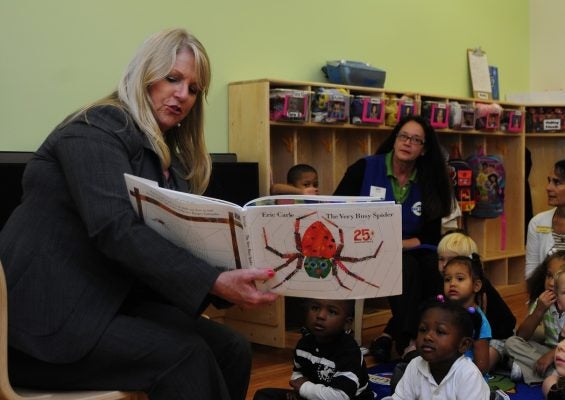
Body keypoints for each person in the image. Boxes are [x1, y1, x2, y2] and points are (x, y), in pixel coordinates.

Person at [0, 28, 278, 400]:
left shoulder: (165, 160)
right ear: (144, 75)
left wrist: (233, 279)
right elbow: (114, 228)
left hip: (103, 307)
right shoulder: (93, 129)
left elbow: (176, 248)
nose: (182, 95)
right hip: (38, 325)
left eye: (194, 89)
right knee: (185, 358)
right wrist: (213, 281)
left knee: (232, 349)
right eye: (172, 78)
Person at [334, 114, 453, 361]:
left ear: (423, 149)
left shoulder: (429, 180)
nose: (407, 143)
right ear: (395, 139)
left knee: (435, 267)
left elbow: (429, 235)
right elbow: (337, 212)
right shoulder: (365, 168)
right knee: (406, 267)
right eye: (404, 136)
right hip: (363, 248)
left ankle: (400, 332)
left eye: (416, 140)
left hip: (410, 249)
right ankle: (408, 339)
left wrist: (396, 245)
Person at [252, 298, 373, 400]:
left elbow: (341, 395)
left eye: (332, 312)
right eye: (315, 308)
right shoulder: (304, 344)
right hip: (314, 395)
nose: (320, 316)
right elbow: (298, 372)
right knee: (263, 395)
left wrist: (304, 388)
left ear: (347, 323)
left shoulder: (349, 352)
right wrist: (298, 388)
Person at [437, 231, 516, 371]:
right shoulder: (446, 286)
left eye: (451, 260)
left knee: (484, 359)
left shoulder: (482, 290)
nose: (444, 265)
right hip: (463, 344)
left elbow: (507, 323)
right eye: (441, 259)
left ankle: (507, 359)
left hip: (496, 338)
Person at [382, 299, 490, 399]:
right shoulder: (415, 365)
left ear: (463, 345)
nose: (427, 336)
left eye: (440, 332)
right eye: (423, 329)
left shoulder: (468, 375)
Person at [505, 250, 565, 385]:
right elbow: (522, 336)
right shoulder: (543, 301)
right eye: (549, 276)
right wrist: (539, 310)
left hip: (560, 353)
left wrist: (550, 356)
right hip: (551, 352)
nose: (550, 282)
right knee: (511, 343)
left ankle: (532, 372)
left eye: (557, 277)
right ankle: (553, 375)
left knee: (512, 360)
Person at [442, 255, 492, 376]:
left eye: (460, 279)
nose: (452, 283)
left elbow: (482, 366)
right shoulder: (443, 313)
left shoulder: (479, 321)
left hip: (468, 380)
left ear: (476, 286)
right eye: (448, 279)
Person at [526, 159, 565, 278]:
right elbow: (531, 273)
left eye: (557, 182)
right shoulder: (537, 222)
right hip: (546, 294)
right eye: (549, 181)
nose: (548, 188)